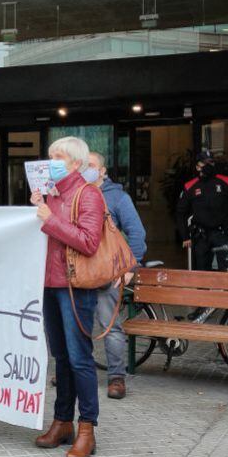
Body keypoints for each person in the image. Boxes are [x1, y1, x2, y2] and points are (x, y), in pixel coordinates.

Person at [30, 137, 105, 457]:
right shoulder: (53, 194)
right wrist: (40, 210)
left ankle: (87, 428)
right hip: (50, 284)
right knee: (60, 357)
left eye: (57, 157)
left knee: (79, 359)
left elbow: (88, 242)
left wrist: (49, 218)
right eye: (50, 156)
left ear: (75, 163)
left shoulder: (88, 194)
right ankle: (62, 422)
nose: (51, 162)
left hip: (75, 287)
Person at [85, 152, 146, 400]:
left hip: (107, 273)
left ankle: (116, 378)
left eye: (91, 166)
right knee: (78, 327)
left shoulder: (118, 198)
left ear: (102, 171)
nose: (86, 170)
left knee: (110, 326)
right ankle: (75, 373)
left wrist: (130, 268)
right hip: (79, 273)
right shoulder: (76, 194)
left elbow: (136, 232)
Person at [176, 151, 228, 271]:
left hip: (223, 234)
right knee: (201, 272)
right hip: (201, 236)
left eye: (211, 162)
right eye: (204, 163)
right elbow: (180, 212)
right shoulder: (190, 186)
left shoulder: (227, 182)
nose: (208, 166)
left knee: (226, 271)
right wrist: (185, 236)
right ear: (197, 167)